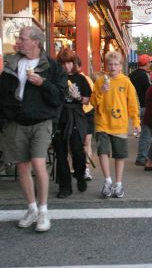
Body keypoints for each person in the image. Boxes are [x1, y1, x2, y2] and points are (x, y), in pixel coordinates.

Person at [0, 26, 67, 232]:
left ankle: (44, 212)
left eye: (22, 38)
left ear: (35, 42)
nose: (18, 41)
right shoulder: (12, 63)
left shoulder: (52, 66)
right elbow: (3, 92)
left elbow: (59, 96)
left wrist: (43, 83)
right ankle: (31, 209)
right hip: (17, 120)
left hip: (41, 121)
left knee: (38, 163)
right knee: (22, 167)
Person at [91, 51, 140, 198]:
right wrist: (101, 91)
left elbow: (132, 104)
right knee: (102, 151)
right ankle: (107, 181)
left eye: (116, 64)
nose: (112, 67)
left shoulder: (126, 82)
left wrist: (136, 122)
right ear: (106, 65)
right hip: (102, 122)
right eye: (110, 64)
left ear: (120, 67)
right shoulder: (100, 81)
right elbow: (93, 102)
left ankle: (118, 184)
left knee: (119, 155)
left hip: (119, 124)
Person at [54, 48, 92, 198]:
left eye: (69, 62)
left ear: (74, 63)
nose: (66, 66)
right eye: (63, 63)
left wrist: (78, 97)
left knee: (77, 150)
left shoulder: (80, 78)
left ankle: (80, 174)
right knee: (60, 153)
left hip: (75, 115)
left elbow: (88, 99)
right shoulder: (55, 78)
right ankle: (65, 186)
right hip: (59, 117)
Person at [129, 54, 152, 166]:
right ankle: (141, 157)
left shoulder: (131, 75)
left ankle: (143, 156)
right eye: (149, 62)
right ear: (146, 63)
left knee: (143, 132)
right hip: (144, 107)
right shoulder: (145, 76)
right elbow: (150, 92)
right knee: (146, 133)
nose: (150, 64)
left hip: (134, 108)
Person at [77, 56, 95, 181]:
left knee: (87, 142)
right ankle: (75, 167)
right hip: (73, 113)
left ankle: (86, 168)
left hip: (87, 112)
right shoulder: (65, 78)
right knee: (73, 142)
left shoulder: (86, 79)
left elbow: (92, 97)